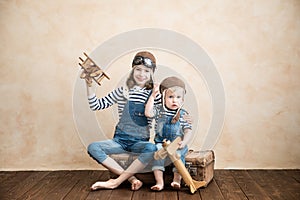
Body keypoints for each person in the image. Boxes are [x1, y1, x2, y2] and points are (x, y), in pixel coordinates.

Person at [86, 51, 159, 190]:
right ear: (132, 70)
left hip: (139, 142)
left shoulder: (155, 95)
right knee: (93, 147)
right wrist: (89, 85)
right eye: (138, 69)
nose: (141, 74)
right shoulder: (122, 91)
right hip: (120, 141)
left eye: (146, 71)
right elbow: (96, 105)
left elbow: (150, 114)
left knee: (151, 148)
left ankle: (116, 182)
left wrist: (153, 96)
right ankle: (131, 178)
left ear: (151, 74)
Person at [145, 76, 193, 191]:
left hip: (177, 144)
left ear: (182, 100)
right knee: (157, 154)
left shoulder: (183, 114)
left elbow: (188, 130)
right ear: (163, 98)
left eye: (178, 97)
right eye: (170, 97)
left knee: (179, 155)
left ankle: (177, 179)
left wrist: (184, 142)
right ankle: (159, 182)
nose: (174, 100)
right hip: (161, 143)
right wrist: (152, 96)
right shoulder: (159, 110)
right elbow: (148, 113)